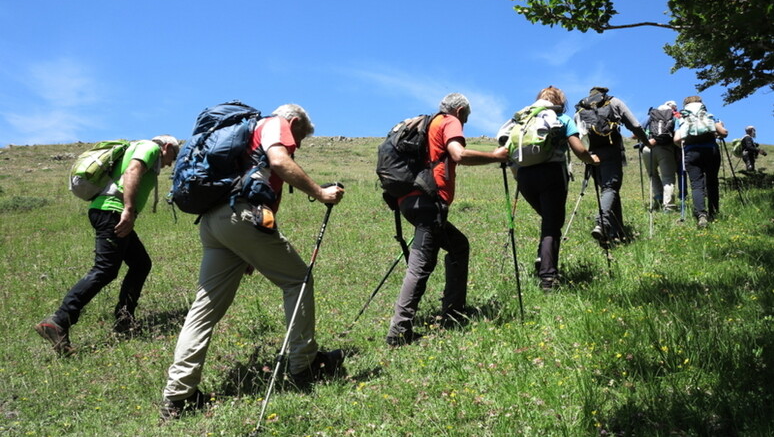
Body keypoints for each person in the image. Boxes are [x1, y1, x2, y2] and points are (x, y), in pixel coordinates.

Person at [161, 104, 345, 420]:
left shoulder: (243, 134)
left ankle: (178, 398)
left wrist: (245, 251)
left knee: (203, 309)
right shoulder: (275, 124)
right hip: (240, 215)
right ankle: (304, 365)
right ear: (295, 121)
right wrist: (321, 192)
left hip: (214, 221)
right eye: (298, 137)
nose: (295, 146)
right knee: (298, 281)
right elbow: (277, 159)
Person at [35, 135, 180, 356]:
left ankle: (124, 321)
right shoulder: (150, 148)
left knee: (141, 264)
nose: (171, 163)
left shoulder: (142, 150)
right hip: (112, 212)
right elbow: (132, 171)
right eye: (173, 156)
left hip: (111, 212)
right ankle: (58, 321)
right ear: (167, 147)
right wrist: (129, 210)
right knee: (105, 269)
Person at [385, 93, 508, 346]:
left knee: (458, 245)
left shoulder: (427, 124)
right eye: (467, 118)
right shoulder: (449, 121)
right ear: (460, 110)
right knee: (421, 265)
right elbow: (458, 154)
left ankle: (453, 311)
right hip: (428, 202)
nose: (464, 124)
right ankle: (399, 331)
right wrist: (496, 156)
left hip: (409, 200)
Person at [498, 86, 599, 291]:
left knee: (548, 221)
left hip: (525, 176)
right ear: (560, 102)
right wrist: (592, 159)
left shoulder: (523, 118)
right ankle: (548, 279)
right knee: (553, 225)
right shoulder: (562, 118)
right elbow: (578, 149)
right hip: (552, 174)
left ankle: (542, 258)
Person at [574, 87, 651, 244]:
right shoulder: (613, 101)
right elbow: (635, 124)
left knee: (608, 191)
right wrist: (646, 142)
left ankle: (617, 233)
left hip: (592, 154)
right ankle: (602, 222)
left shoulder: (580, 110)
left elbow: (579, 135)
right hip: (611, 150)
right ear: (603, 93)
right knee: (610, 188)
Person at [674, 95, 728, 228]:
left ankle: (701, 215)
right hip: (711, 151)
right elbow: (724, 133)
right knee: (712, 182)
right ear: (701, 103)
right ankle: (714, 212)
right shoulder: (708, 115)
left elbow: (676, 139)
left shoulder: (681, 117)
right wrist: (719, 130)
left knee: (696, 185)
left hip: (691, 153)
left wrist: (684, 145)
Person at [641, 100, 679, 211]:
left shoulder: (650, 117)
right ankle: (668, 206)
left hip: (648, 149)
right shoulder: (674, 117)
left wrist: (646, 141)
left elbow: (635, 134)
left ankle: (658, 198)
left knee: (653, 174)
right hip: (665, 149)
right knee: (668, 177)